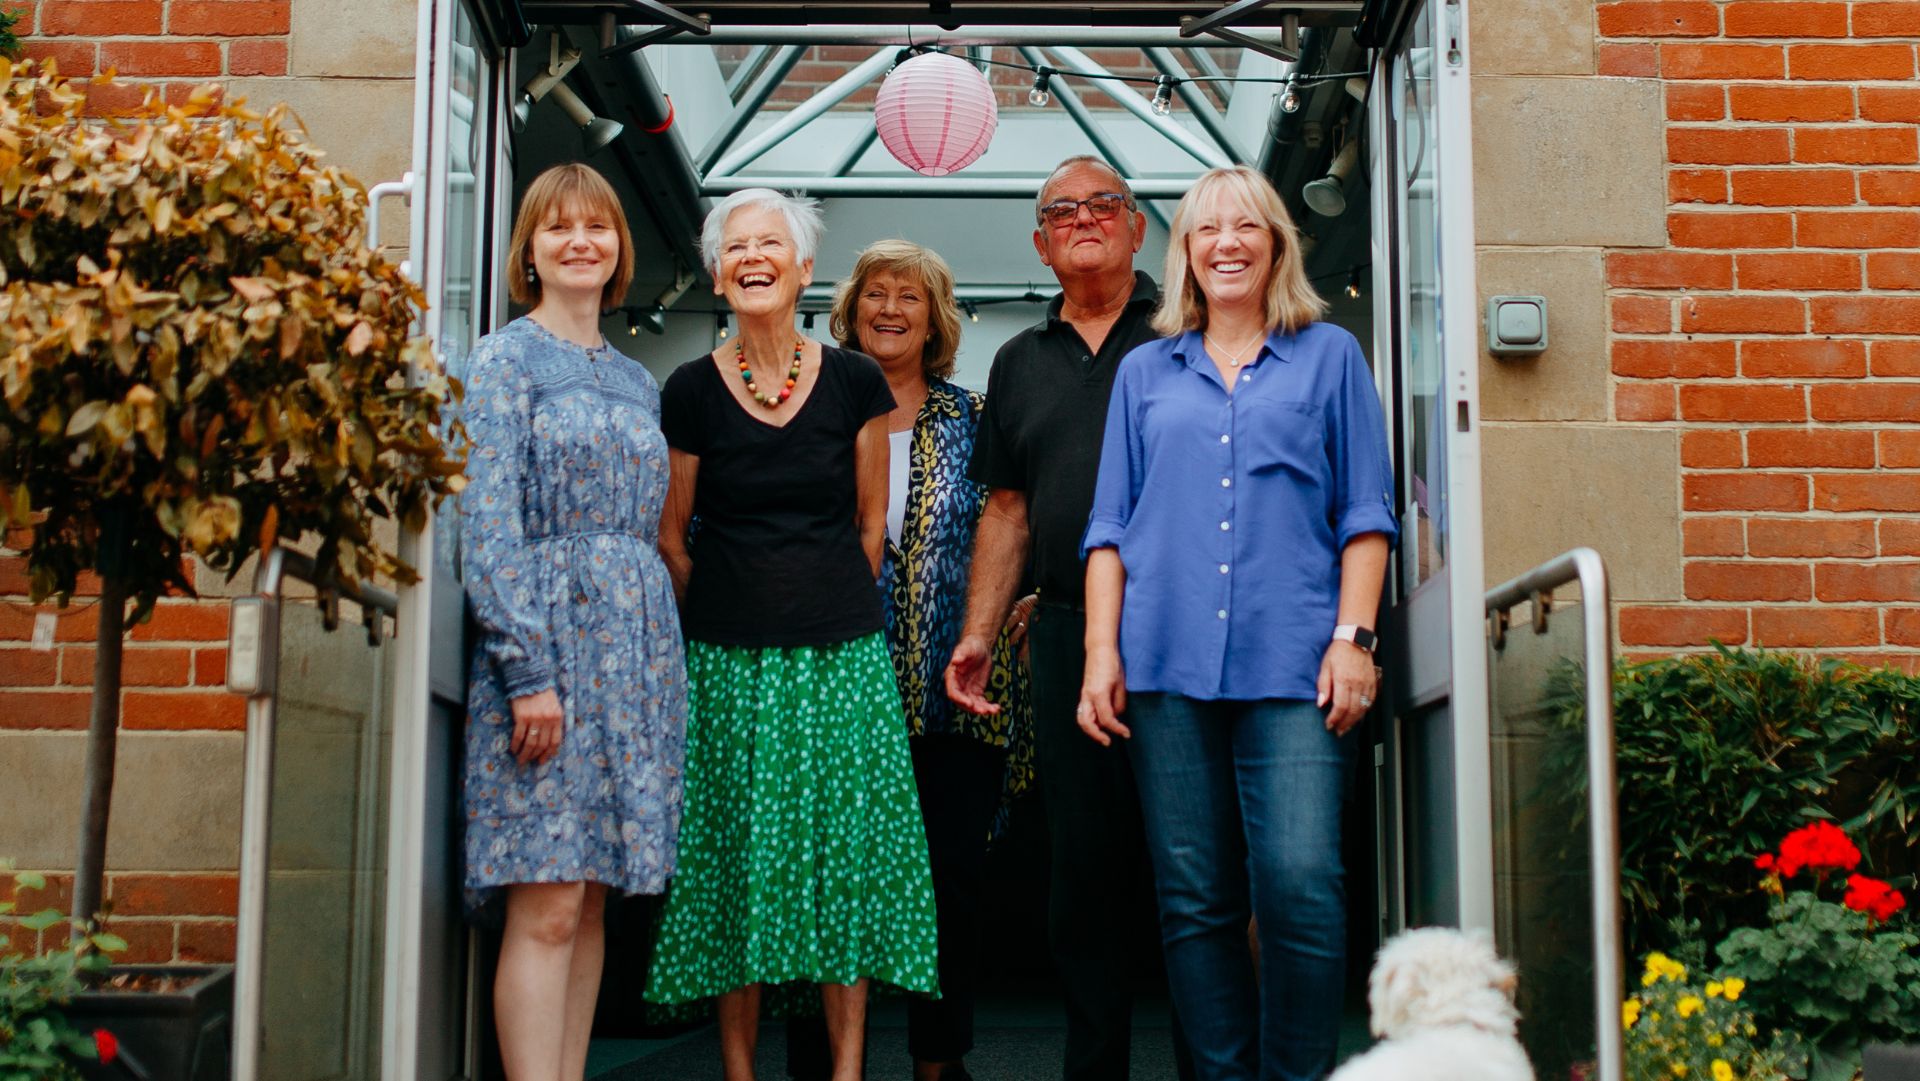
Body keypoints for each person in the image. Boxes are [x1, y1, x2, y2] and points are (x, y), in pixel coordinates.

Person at [1077, 165, 1397, 1081]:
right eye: (1207, 228)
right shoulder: (1146, 371)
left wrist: (1355, 637)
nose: (1227, 241)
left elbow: (1365, 513)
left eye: (1247, 225)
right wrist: (1102, 652)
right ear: (1182, 252)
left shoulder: (1330, 357)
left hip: (1297, 665)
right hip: (1165, 669)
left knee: (1300, 887)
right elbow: (1110, 527)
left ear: (1277, 244)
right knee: (1195, 902)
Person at [645, 189, 939, 1081]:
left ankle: (847, 1069)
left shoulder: (853, 379)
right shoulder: (691, 389)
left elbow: (868, 525)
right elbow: (672, 535)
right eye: (737, 246)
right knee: (736, 860)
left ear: (805, 269)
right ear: (717, 272)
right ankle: (741, 1071)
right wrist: (745, 600)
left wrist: (811, 599)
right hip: (730, 663)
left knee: (843, 859)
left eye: (771, 243)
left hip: (843, 659)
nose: (754, 256)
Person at [944, 156, 1184, 1081]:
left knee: (1195, 864)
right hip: (1062, 631)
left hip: (1183, 629)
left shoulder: (1184, 331)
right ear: (1041, 244)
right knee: (1083, 869)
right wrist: (978, 630)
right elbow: (1008, 510)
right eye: (1061, 212)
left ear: (1135, 229)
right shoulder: (1016, 360)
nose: (1084, 219)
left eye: (1104, 205)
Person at [460, 162, 688, 1081]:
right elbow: (487, 521)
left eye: (597, 226)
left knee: (593, 902)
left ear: (619, 248)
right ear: (530, 249)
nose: (580, 241)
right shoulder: (504, 358)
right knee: (546, 900)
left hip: (633, 661)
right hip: (548, 652)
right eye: (559, 228)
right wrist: (527, 671)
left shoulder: (638, 380)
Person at [794, 239, 1035, 1081]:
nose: (891, 310)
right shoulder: (809, 409)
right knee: (825, 879)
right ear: (850, 309)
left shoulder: (972, 417)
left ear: (936, 320)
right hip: (830, 687)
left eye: (911, 298)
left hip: (950, 692)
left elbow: (1014, 523)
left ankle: (939, 1060)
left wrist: (1029, 598)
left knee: (948, 890)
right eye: (876, 295)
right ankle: (822, 1059)